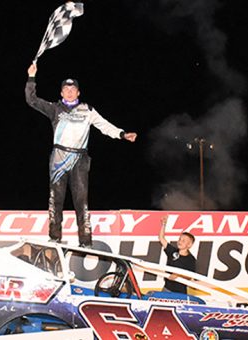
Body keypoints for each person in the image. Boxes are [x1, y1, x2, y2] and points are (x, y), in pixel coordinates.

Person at [25, 63, 137, 248]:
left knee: (81, 201)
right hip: (59, 157)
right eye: (66, 89)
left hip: (80, 160)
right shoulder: (55, 109)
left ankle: (85, 242)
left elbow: (104, 125)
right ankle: (55, 238)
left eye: (73, 89)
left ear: (78, 92)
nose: (69, 92)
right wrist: (31, 77)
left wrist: (122, 134)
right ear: (61, 93)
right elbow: (32, 100)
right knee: (56, 199)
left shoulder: (87, 109)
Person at [158, 216, 196, 294]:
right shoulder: (172, 251)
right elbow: (161, 238)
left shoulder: (191, 259)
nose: (180, 242)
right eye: (179, 239)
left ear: (189, 245)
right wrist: (163, 224)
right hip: (166, 289)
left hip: (180, 293)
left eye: (183, 240)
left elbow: (189, 276)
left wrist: (178, 275)